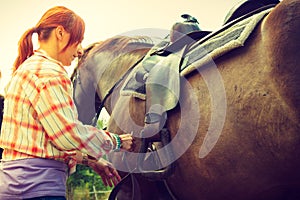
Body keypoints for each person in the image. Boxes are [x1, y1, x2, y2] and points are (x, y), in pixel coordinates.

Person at [0, 6, 134, 200]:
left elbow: (47, 143)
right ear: (60, 33)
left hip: (12, 186)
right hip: (38, 189)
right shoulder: (49, 72)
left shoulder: (27, 69)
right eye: (79, 40)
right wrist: (116, 141)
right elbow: (67, 135)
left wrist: (91, 161)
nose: (80, 50)